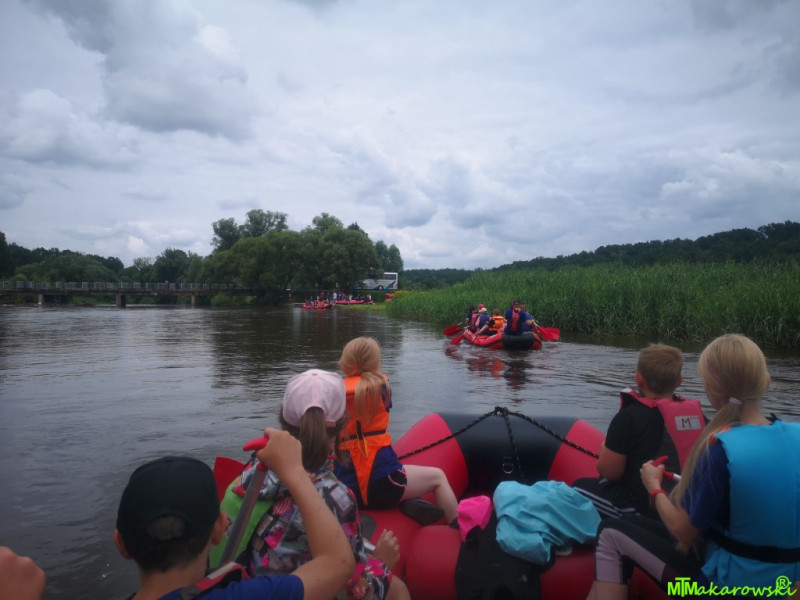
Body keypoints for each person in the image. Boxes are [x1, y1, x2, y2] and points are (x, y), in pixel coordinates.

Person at [586, 334, 800, 599]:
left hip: (722, 589)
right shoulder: (796, 436)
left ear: (710, 390)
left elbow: (683, 532)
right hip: (786, 587)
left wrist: (654, 487)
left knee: (609, 532)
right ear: (765, 382)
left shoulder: (719, 450)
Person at [218, 369, 409, 600]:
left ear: (284, 422)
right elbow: (353, 591)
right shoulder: (337, 497)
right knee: (398, 588)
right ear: (341, 429)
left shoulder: (252, 474)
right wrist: (381, 562)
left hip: (249, 588)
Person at [113, 428, 354, 600]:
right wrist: (294, 470)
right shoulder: (251, 595)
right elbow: (337, 563)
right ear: (220, 528)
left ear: (121, 543)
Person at [335, 337, 460, 526]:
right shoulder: (383, 388)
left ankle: (407, 502)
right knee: (438, 477)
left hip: (346, 489)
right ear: (375, 362)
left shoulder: (335, 394)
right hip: (385, 484)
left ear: (345, 361)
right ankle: (457, 527)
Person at [573, 344, 704, 519]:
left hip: (639, 509)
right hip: (682, 507)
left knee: (578, 487)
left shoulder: (628, 417)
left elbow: (609, 472)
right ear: (679, 381)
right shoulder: (700, 418)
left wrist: (605, 447)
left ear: (638, 379)